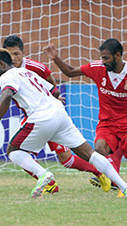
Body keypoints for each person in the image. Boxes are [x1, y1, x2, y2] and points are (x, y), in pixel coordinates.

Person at [0, 35, 111, 194]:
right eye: (10, 55)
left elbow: (49, 77)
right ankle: (48, 183)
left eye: (17, 54)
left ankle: (99, 172)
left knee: (67, 160)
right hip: (31, 118)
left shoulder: (34, 67)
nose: (14, 58)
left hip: (50, 114)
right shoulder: (2, 73)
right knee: (18, 152)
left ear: (23, 53)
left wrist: (55, 96)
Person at [0, 48, 127, 198]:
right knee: (89, 154)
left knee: (13, 150)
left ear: (2, 64)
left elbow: (7, 94)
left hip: (41, 118)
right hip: (60, 114)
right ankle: (124, 186)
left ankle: (43, 175)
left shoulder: (6, 76)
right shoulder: (27, 72)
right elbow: (54, 91)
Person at [43, 39, 127, 197]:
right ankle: (113, 180)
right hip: (107, 123)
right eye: (101, 57)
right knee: (99, 150)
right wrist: (55, 58)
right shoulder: (97, 68)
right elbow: (70, 72)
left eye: (106, 58)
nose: (102, 62)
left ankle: (115, 180)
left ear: (117, 56)